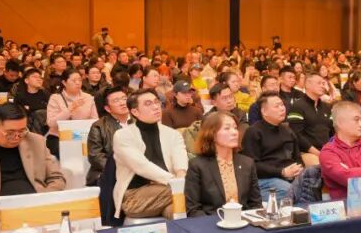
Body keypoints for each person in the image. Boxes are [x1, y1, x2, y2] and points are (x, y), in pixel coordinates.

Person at [0, 103, 66, 219]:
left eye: (22, 131)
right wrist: (10, 205)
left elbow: (57, 178)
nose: (17, 137)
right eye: (10, 133)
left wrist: (40, 200)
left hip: (35, 208)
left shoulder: (37, 142)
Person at [112, 89, 188, 219]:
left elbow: (180, 161)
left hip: (168, 192)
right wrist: (177, 183)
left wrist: (181, 178)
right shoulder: (123, 135)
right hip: (135, 197)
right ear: (135, 112)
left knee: (178, 210)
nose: (156, 107)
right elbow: (142, 166)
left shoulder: (172, 134)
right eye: (148, 104)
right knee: (190, 190)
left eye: (156, 102)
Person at [185, 111, 261, 216]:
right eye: (227, 128)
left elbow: (256, 204)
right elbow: (193, 210)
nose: (234, 132)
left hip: (243, 221)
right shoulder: (197, 166)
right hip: (212, 222)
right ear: (212, 134)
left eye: (235, 128)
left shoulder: (247, 163)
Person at [241, 91, 306, 199]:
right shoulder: (253, 132)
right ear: (264, 111)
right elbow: (252, 165)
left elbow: (297, 157)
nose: (282, 109)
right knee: (290, 190)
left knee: (313, 183)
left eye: (282, 105)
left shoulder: (288, 130)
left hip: (290, 175)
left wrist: (299, 169)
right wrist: (281, 172)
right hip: (266, 179)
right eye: (277, 106)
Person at [45, 69, 98, 158]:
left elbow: (95, 121)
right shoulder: (56, 98)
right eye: (74, 80)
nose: (78, 83)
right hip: (60, 136)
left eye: (79, 80)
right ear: (64, 83)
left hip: (83, 136)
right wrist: (70, 109)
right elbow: (51, 123)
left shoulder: (88, 97)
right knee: (70, 154)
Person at [86, 87, 132, 186]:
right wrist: (119, 169)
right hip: (108, 173)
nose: (122, 103)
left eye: (124, 98)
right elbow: (95, 156)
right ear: (108, 108)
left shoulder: (139, 121)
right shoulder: (99, 126)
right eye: (116, 101)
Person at [287, 72, 333, 165]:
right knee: (322, 166)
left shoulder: (326, 107)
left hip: (327, 150)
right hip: (306, 152)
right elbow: (297, 135)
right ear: (307, 84)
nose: (322, 86)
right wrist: (319, 153)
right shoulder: (297, 106)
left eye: (323, 83)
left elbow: (333, 131)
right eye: (319, 83)